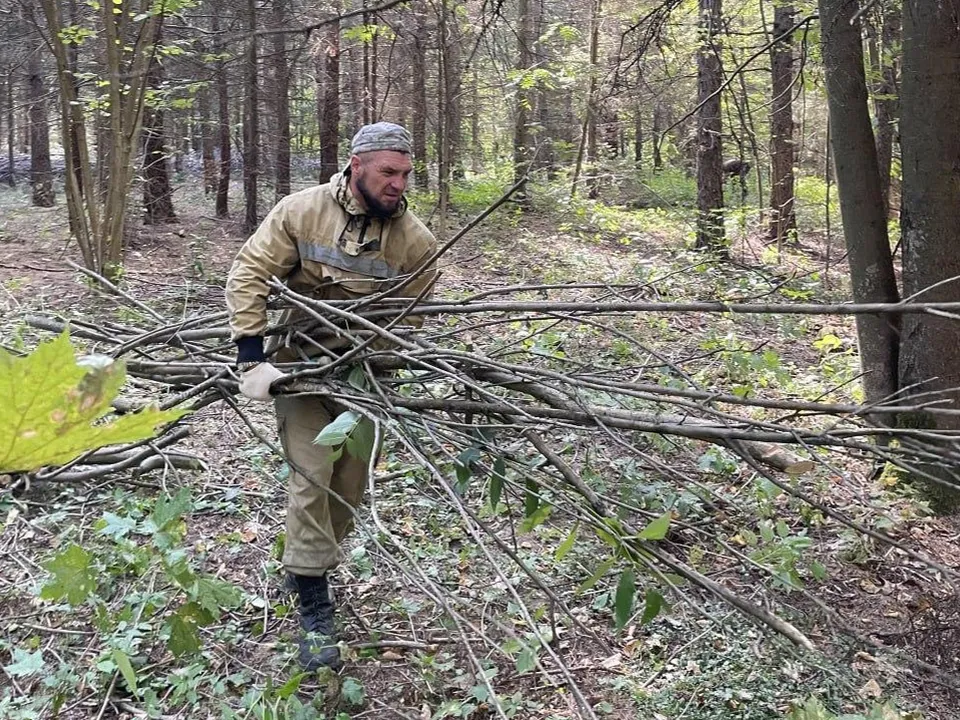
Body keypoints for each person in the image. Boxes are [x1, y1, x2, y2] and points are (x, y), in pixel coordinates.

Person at [225, 122, 438, 671]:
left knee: (348, 483)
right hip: (298, 368)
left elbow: (408, 319)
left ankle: (308, 563)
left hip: (365, 376)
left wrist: (386, 365)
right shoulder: (301, 211)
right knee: (314, 472)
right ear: (357, 165)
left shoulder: (416, 242)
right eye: (388, 172)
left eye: (405, 173)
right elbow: (249, 272)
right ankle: (314, 602)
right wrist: (252, 355)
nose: (398, 183)